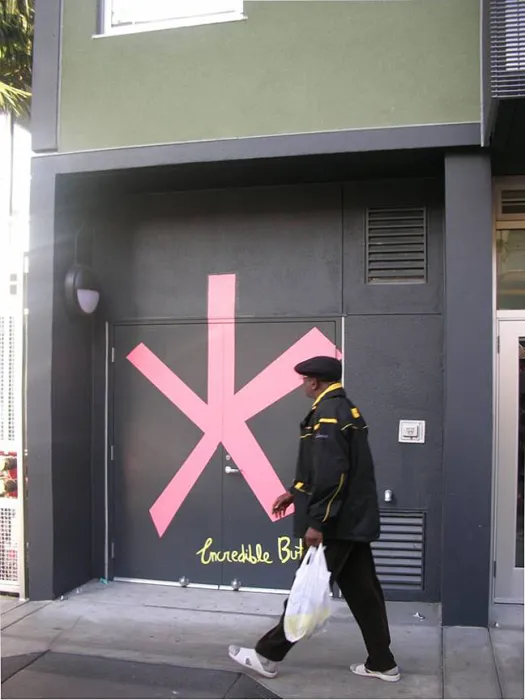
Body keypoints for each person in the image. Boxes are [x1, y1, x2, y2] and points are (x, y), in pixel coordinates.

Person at [228, 356, 399, 682]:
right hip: (351, 521)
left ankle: (266, 655)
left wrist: (318, 521)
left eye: (304, 379)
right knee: (365, 594)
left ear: (314, 382)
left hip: (335, 524)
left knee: (307, 587)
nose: (302, 385)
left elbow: (333, 473)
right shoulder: (345, 410)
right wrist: (296, 490)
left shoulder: (328, 415)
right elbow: (330, 466)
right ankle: (382, 661)